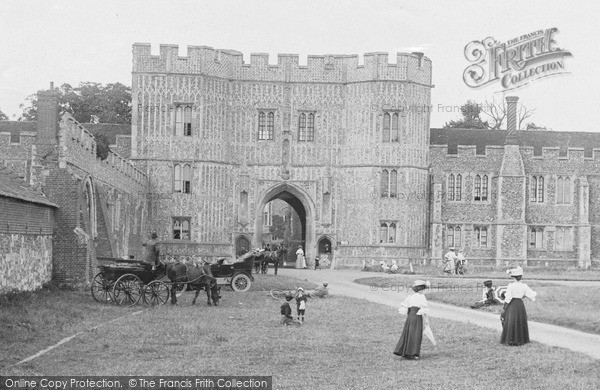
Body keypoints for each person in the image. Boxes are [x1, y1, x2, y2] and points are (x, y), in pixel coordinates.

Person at [394, 280, 431, 360]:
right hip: (417, 316)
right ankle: (414, 353)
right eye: (423, 289)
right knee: (416, 334)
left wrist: (410, 315)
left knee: (409, 332)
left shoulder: (411, 297)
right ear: (421, 290)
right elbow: (423, 310)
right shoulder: (422, 297)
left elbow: (406, 308)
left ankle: (405, 352)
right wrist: (426, 320)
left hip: (410, 316)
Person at [500, 266, 537, 346]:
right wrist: (523, 295)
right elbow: (532, 295)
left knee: (511, 321)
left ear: (513, 277)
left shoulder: (511, 285)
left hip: (512, 304)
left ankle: (511, 339)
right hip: (520, 304)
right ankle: (521, 339)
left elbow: (508, 297)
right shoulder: (524, 286)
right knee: (520, 321)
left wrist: (505, 306)